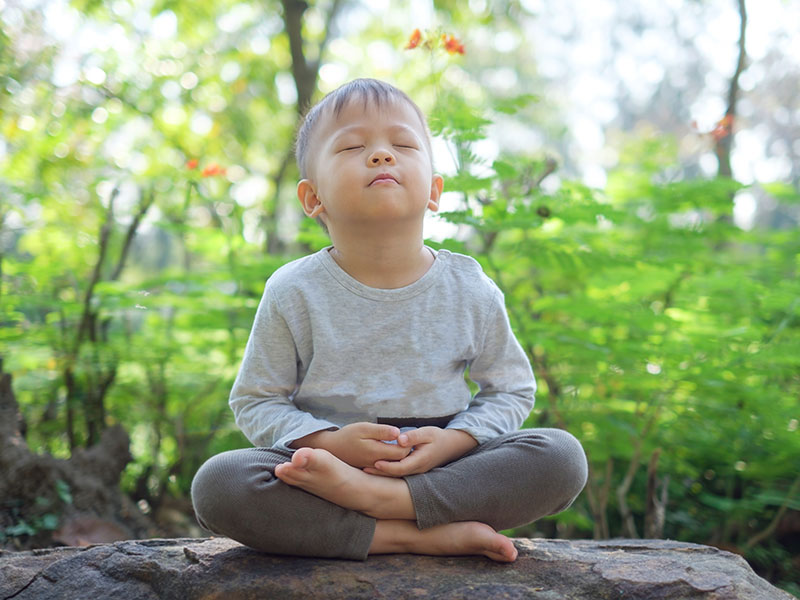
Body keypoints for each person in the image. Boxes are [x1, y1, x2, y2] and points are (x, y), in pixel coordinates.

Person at [191, 78, 587, 562]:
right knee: (220, 482)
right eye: (354, 146)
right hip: (328, 474)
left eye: (402, 144)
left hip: (446, 470)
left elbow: (510, 390)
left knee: (562, 457)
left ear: (435, 191)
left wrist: (453, 442)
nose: (382, 156)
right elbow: (256, 400)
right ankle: (411, 535)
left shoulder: (469, 286)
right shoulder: (293, 290)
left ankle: (386, 505)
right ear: (312, 198)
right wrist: (330, 444)